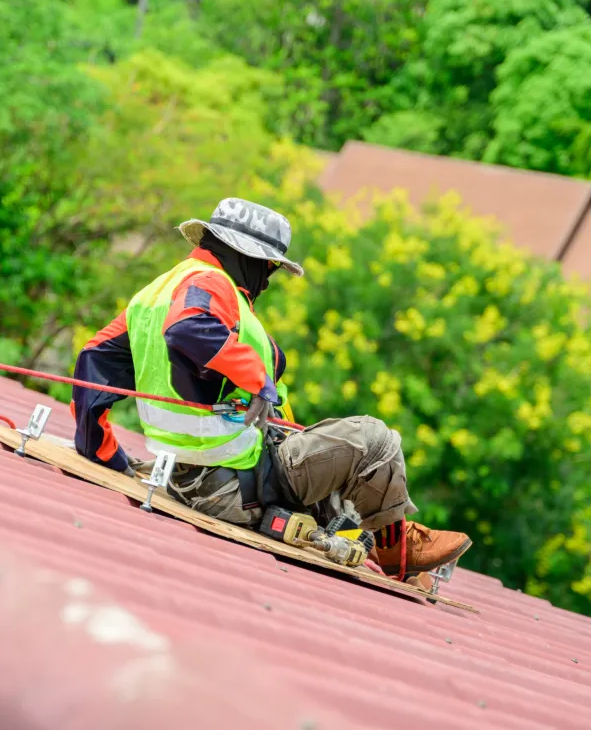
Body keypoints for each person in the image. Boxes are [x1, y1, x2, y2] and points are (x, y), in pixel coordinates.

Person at [70, 197, 470, 581]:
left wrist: (102, 452)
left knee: (330, 461)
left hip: (188, 477)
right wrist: (257, 379)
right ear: (247, 258)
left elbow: (92, 365)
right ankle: (398, 552)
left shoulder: (155, 293)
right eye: (269, 268)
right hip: (234, 483)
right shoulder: (211, 284)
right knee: (375, 440)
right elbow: (188, 328)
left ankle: (391, 538)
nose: (268, 280)